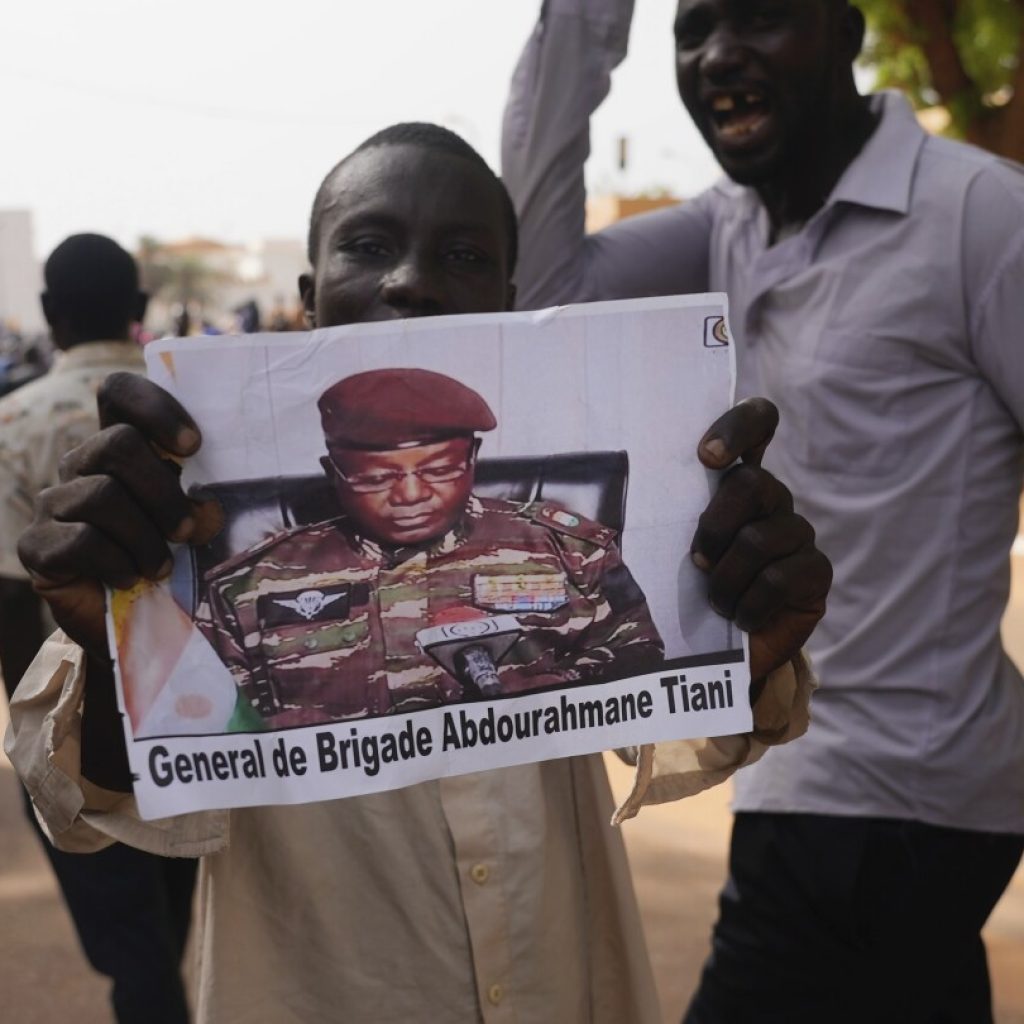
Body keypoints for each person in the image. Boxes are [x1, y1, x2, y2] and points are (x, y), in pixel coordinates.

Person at [9, 124, 829, 1023]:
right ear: (310, 298)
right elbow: (102, 801)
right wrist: (119, 647)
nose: (412, 280)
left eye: (465, 254)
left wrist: (742, 643)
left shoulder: (567, 545)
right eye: (368, 246)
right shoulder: (225, 574)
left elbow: (668, 730)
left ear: (508, 306)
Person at [502, 2, 1024, 1021]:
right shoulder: (726, 229)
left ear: (843, 32)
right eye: (692, 31)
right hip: (804, 772)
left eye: (761, 20)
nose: (719, 56)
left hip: (892, 792)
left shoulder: (978, 216)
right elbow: (539, 296)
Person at [195, 366, 664, 728]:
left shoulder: (568, 548)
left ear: (473, 458)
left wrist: (546, 694)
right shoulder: (251, 586)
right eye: (376, 477)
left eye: (439, 470)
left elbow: (641, 664)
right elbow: (211, 726)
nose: (412, 495)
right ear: (332, 471)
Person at [0, 234, 196, 1024]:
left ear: (49, 315)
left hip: (78, 728)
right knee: (174, 914)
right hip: (196, 712)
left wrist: (37, 744)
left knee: (132, 948)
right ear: (141, 308)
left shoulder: (12, 424)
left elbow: (12, 604)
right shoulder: (190, 413)